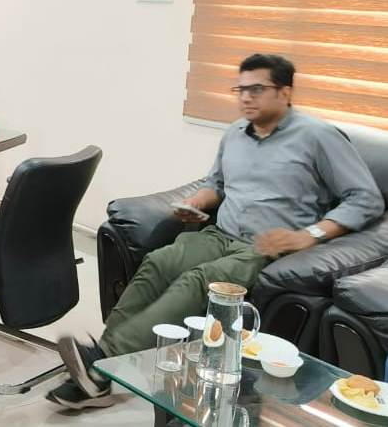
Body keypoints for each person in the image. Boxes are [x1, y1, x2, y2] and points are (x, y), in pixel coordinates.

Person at [49, 54, 385, 410]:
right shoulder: (235, 134)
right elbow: (217, 184)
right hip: (219, 234)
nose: (246, 98)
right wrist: (195, 202)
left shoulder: (318, 137)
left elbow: (365, 199)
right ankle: (102, 366)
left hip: (265, 247)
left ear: (285, 93)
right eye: (241, 89)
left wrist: (310, 234)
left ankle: (100, 363)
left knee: (198, 281)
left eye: (257, 89)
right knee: (159, 262)